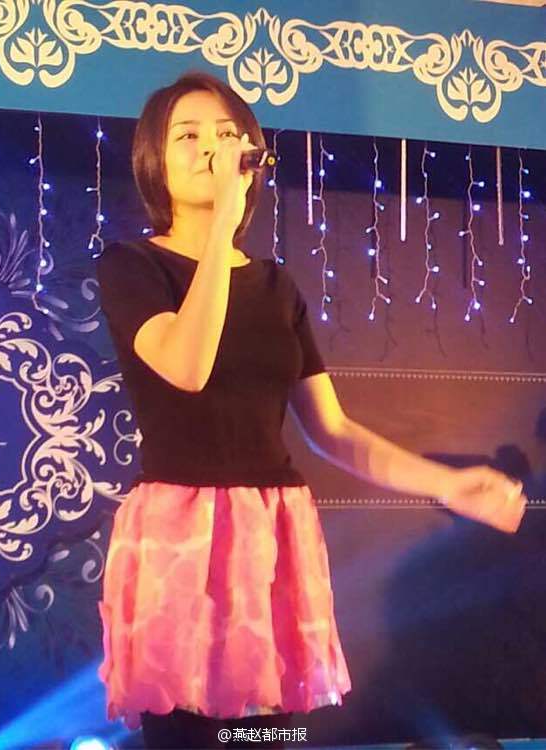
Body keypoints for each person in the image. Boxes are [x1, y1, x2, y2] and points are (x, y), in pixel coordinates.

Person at [95, 70, 527, 749]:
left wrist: (447, 483)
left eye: (225, 134)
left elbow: (333, 430)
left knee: (270, 739)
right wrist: (220, 228)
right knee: (191, 736)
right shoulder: (131, 266)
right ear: (155, 159)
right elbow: (187, 365)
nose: (210, 148)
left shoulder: (275, 285)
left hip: (271, 533)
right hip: (180, 534)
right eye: (188, 135)